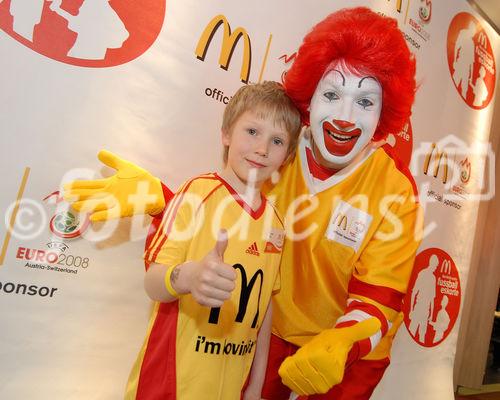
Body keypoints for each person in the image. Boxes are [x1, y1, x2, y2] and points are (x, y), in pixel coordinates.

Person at [65, 7, 421, 400]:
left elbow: (379, 299)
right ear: (310, 98)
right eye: (333, 94)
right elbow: (228, 214)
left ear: (384, 112)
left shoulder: (396, 190)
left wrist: (345, 342)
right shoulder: (279, 151)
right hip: (265, 332)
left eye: (366, 102)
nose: (345, 117)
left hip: (345, 351)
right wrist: (162, 202)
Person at [124, 81, 302, 400]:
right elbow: (153, 282)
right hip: (171, 386)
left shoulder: (276, 224)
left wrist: (256, 386)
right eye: (252, 131)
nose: (262, 148)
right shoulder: (197, 193)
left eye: (276, 140)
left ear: (287, 156)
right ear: (226, 134)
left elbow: (264, 311)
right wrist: (187, 278)